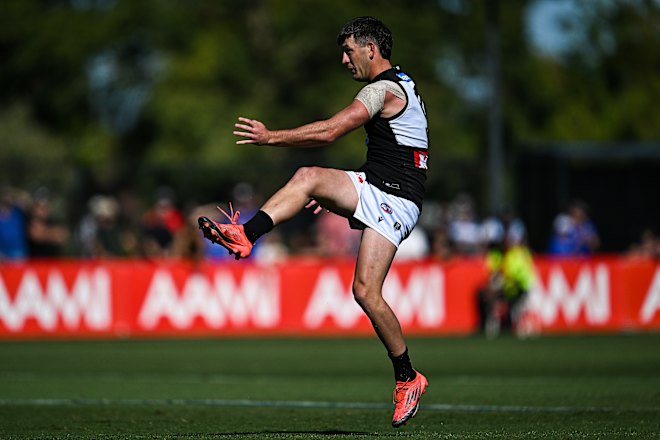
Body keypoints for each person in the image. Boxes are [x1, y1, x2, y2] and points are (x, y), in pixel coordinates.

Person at [198, 16, 428, 428]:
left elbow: (330, 132)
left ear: (371, 49)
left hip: (395, 198)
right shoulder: (401, 85)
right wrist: (342, 193)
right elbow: (397, 152)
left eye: (349, 51)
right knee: (309, 180)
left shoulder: (384, 89)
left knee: (366, 291)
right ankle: (245, 235)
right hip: (379, 186)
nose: (344, 60)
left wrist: (271, 137)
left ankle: (407, 377)